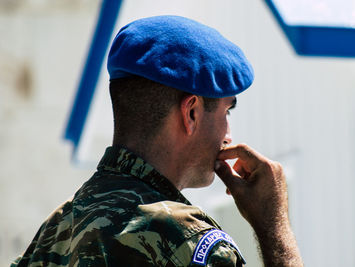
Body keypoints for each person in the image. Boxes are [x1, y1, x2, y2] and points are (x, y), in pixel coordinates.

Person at [12, 16, 303, 266]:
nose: (228, 135)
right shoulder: (187, 241)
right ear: (191, 112)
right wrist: (274, 227)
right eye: (227, 111)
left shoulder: (56, 229)